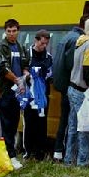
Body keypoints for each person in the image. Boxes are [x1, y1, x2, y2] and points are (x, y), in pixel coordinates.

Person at [0, 18, 29, 170]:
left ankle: (10, 154)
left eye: (14, 31)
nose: (11, 34)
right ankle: (9, 156)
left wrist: (25, 76)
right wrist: (17, 80)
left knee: (14, 123)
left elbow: (25, 64)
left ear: (18, 31)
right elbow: (3, 68)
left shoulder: (21, 47)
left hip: (18, 93)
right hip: (5, 91)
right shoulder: (1, 47)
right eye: (9, 31)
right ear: (5, 31)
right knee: (5, 125)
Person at [64, 18, 89, 167]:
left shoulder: (80, 42)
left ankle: (69, 159)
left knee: (73, 126)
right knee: (85, 128)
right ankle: (82, 161)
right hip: (81, 91)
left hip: (72, 88)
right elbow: (87, 70)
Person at [51, 15, 86, 161]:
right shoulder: (77, 40)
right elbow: (72, 65)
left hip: (62, 84)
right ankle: (62, 151)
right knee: (68, 120)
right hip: (70, 85)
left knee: (64, 118)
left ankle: (59, 151)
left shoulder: (67, 36)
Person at [22, 29, 53, 160]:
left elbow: (51, 72)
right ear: (36, 40)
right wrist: (28, 75)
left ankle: (40, 152)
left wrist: (45, 76)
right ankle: (28, 151)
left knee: (42, 122)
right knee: (29, 122)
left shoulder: (48, 57)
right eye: (42, 43)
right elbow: (22, 69)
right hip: (29, 94)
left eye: (46, 44)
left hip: (43, 95)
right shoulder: (26, 54)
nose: (44, 46)